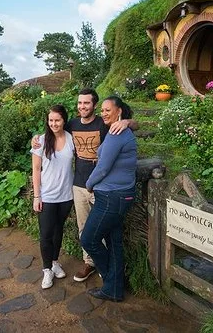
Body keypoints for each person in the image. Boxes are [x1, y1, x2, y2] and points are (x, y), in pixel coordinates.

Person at [33, 88, 137, 282]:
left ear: (94, 105)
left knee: (103, 229)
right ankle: (89, 263)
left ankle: (105, 265)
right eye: (80, 103)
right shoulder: (72, 125)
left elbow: (135, 126)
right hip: (79, 185)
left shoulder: (104, 123)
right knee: (84, 227)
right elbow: (54, 128)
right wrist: (37, 138)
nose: (82, 106)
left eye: (87, 103)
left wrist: (127, 122)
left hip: (101, 185)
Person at [81, 96, 137, 302]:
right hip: (119, 195)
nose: (103, 113)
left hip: (112, 197)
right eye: (102, 110)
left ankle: (112, 282)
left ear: (119, 111)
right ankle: (115, 287)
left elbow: (103, 168)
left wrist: (89, 184)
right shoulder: (121, 131)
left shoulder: (116, 134)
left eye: (108, 110)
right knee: (114, 242)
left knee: (88, 239)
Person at [30, 104, 75, 289]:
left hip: (66, 195)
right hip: (47, 196)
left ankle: (55, 262)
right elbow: (36, 169)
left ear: (64, 120)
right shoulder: (40, 141)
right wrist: (37, 196)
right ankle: (47, 269)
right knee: (46, 234)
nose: (54, 124)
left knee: (58, 230)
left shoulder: (71, 138)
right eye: (50, 120)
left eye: (57, 120)